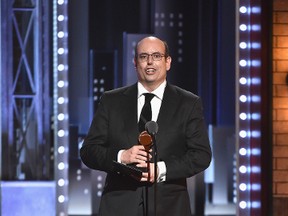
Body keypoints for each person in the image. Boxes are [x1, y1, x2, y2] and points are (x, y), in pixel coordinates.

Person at [80, 36, 212, 216]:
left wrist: (160, 170)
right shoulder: (112, 101)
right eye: (143, 56)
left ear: (168, 62)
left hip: (170, 207)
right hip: (119, 206)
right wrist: (122, 156)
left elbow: (201, 155)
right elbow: (89, 151)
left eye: (156, 56)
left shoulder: (188, 103)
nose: (150, 62)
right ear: (135, 63)